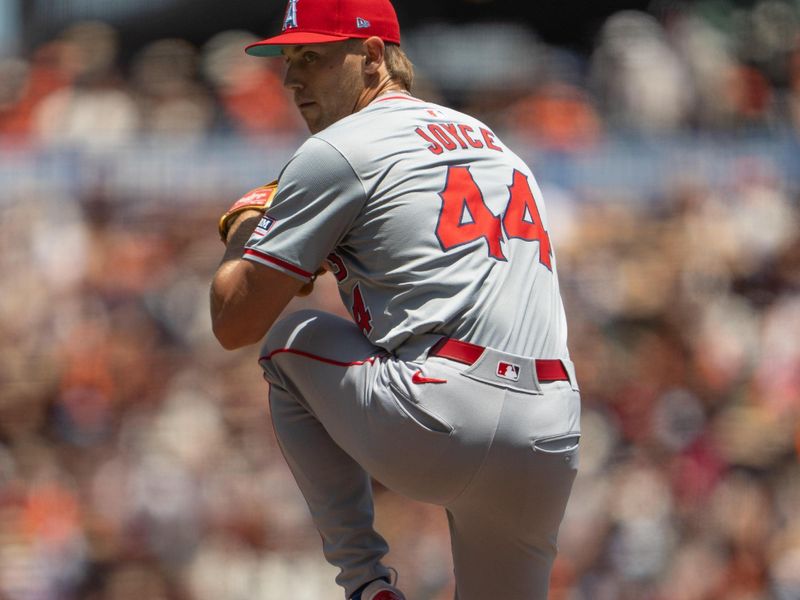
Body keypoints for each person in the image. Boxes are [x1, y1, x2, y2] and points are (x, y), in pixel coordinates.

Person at [209, 1, 581, 598]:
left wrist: (245, 231)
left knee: (287, 344)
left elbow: (234, 322)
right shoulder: (493, 141)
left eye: (313, 57)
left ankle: (365, 584)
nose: (291, 76)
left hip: (443, 414)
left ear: (373, 55)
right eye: (288, 58)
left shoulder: (338, 148)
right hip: (549, 431)